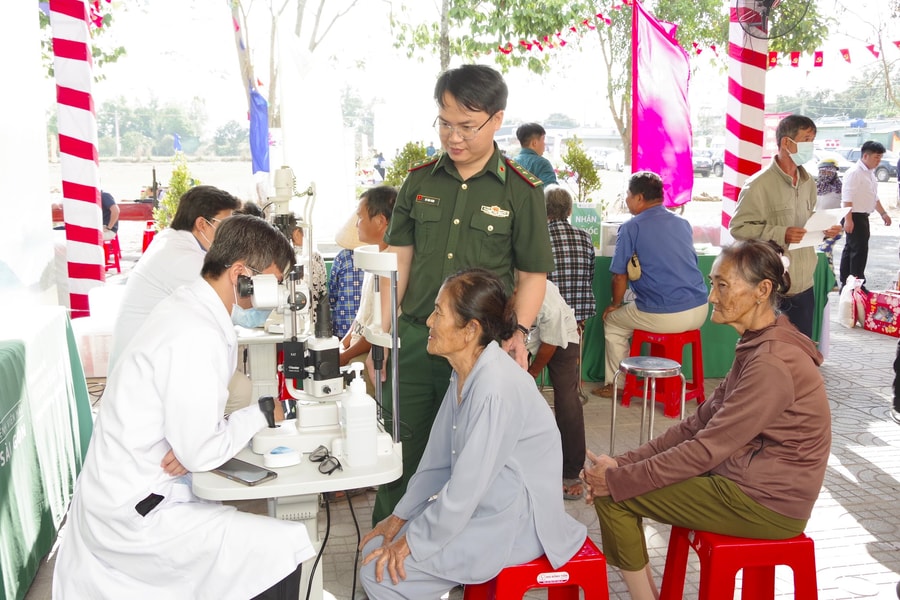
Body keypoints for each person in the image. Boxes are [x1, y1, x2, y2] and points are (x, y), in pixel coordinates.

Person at [53, 215, 315, 599]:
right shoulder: (197, 332)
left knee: (259, 548)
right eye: (272, 284)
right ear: (241, 274)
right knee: (283, 546)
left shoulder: (189, 306)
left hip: (132, 487)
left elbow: (192, 440)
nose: (274, 298)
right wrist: (259, 412)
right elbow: (200, 450)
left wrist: (195, 443)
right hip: (136, 512)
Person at [581, 239, 831, 600]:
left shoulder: (772, 361)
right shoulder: (759, 343)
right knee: (619, 484)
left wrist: (619, 479)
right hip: (747, 482)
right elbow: (695, 425)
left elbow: (705, 449)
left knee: (615, 497)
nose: (712, 297)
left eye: (723, 285)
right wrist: (621, 462)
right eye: (713, 284)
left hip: (768, 502)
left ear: (762, 290)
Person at [371, 64, 555, 524]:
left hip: (480, 350)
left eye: (467, 126)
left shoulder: (521, 190)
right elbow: (398, 261)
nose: (454, 137)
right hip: (416, 341)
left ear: (497, 120)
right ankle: (387, 562)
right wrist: (384, 335)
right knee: (400, 455)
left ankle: (455, 565)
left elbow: (533, 274)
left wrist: (521, 333)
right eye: (445, 123)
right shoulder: (419, 181)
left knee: (474, 462)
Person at [359, 269, 586, 599]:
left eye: (439, 312)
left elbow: (464, 490)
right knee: (380, 545)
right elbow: (437, 463)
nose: (428, 322)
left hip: (515, 523)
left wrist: (412, 541)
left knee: (378, 573)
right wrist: (398, 517)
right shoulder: (466, 372)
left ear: (470, 330)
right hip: (483, 507)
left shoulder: (494, 387)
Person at [594, 171, 708, 398]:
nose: (626, 199)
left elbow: (619, 276)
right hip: (700, 309)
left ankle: (618, 384)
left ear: (639, 198)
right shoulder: (682, 223)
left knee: (614, 323)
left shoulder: (631, 227)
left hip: (667, 315)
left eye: (628, 194)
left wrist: (615, 304)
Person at [730, 114, 843, 337]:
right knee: (769, 353)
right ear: (786, 143)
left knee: (801, 353)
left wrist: (825, 228)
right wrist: (782, 233)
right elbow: (739, 228)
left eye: (813, 140)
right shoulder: (758, 185)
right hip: (772, 286)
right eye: (806, 139)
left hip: (804, 284)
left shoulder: (808, 181)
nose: (811, 146)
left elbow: (806, 219)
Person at [110, 185, 241, 371]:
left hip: (152, 354)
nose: (229, 234)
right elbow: (233, 308)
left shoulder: (172, 241)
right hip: (143, 368)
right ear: (202, 224)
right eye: (225, 226)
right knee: (237, 386)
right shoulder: (181, 256)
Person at [525, 280, 586, 501]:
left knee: (566, 397)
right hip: (524, 336)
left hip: (562, 337)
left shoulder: (544, 296)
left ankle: (570, 471)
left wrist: (530, 373)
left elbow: (550, 343)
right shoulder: (499, 285)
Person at [339, 186, 397, 378]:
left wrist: (345, 356)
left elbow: (379, 327)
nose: (357, 225)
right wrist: (343, 343)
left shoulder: (391, 265)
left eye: (360, 218)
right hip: (356, 349)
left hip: (370, 358)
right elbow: (362, 316)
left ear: (381, 221)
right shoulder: (374, 258)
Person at [840, 140, 893, 290]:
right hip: (854, 215)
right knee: (858, 250)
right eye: (876, 157)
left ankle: (849, 282)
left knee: (852, 249)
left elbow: (873, 196)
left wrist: (883, 213)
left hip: (862, 215)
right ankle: (856, 282)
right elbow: (847, 197)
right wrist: (848, 219)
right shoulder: (854, 172)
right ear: (865, 156)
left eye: (880, 158)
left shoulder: (869, 173)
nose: (879, 161)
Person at [545, 184, 596, 325]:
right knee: (574, 341)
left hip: (548, 311)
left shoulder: (539, 237)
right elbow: (590, 276)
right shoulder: (585, 236)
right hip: (579, 311)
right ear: (569, 211)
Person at [329, 211, 366, 340]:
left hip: (343, 325)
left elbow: (332, 293)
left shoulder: (342, 257)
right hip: (366, 328)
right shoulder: (377, 257)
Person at [815, 158, 843, 274]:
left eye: (829, 172)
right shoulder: (815, 188)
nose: (826, 174)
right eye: (823, 172)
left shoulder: (840, 188)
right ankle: (827, 283)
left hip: (834, 228)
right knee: (822, 256)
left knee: (823, 251)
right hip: (817, 227)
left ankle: (828, 282)